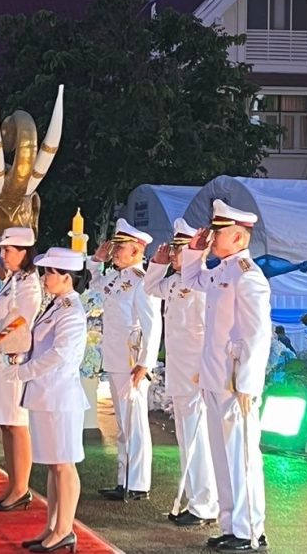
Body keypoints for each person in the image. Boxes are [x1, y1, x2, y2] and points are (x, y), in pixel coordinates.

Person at [180, 200, 271, 551]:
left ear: (238, 237)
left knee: (241, 458)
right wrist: (194, 251)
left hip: (235, 383)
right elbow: (191, 279)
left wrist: (247, 382)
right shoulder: (223, 271)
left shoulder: (248, 275)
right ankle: (232, 525)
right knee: (222, 458)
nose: (212, 237)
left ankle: (250, 532)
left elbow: (257, 334)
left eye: (218, 232)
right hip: (216, 378)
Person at [5, 247, 89, 553]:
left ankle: (65, 530)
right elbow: (41, 345)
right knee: (54, 467)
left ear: (67, 277)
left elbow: (60, 354)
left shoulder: (70, 310)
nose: (45, 277)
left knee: (64, 465)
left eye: (50, 272)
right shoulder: (56, 306)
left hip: (60, 397)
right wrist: (21, 356)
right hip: (46, 395)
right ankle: (52, 527)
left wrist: (24, 371)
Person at [144, 219, 218, 527]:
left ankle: (204, 504)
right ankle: (194, 499)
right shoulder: (175, 282)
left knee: (198, 440)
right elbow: (150, 288)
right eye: (173, 249)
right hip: (179, 371)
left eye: (179, 249)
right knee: (187, 439)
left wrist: (205, 370)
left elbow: (210, 331)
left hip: (195, 373)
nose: (174, 254)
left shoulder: (203, 284)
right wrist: (158, 264)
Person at [89, 219, 162, 502]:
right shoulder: (117, 277)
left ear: (136, 251)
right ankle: (124, 480)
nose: (115, 251)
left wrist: (145, 362)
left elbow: (152, 325)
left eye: (120, 247)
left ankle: (138, 483)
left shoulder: (143, 282)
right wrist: (96, 262)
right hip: (116, 358)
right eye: (115, 246)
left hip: (132, 361)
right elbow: (96, 289)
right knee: (123, 424)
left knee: (135, 424)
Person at [0, 227, 41, 512]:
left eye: (8, 250)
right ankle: (13, 484)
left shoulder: (28, 284)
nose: (2, 254)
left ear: (24, 253)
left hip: (12, 358)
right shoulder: (14, 279)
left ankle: (21, 488)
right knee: (6, 424)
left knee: (16, 423)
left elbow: (19, 326)